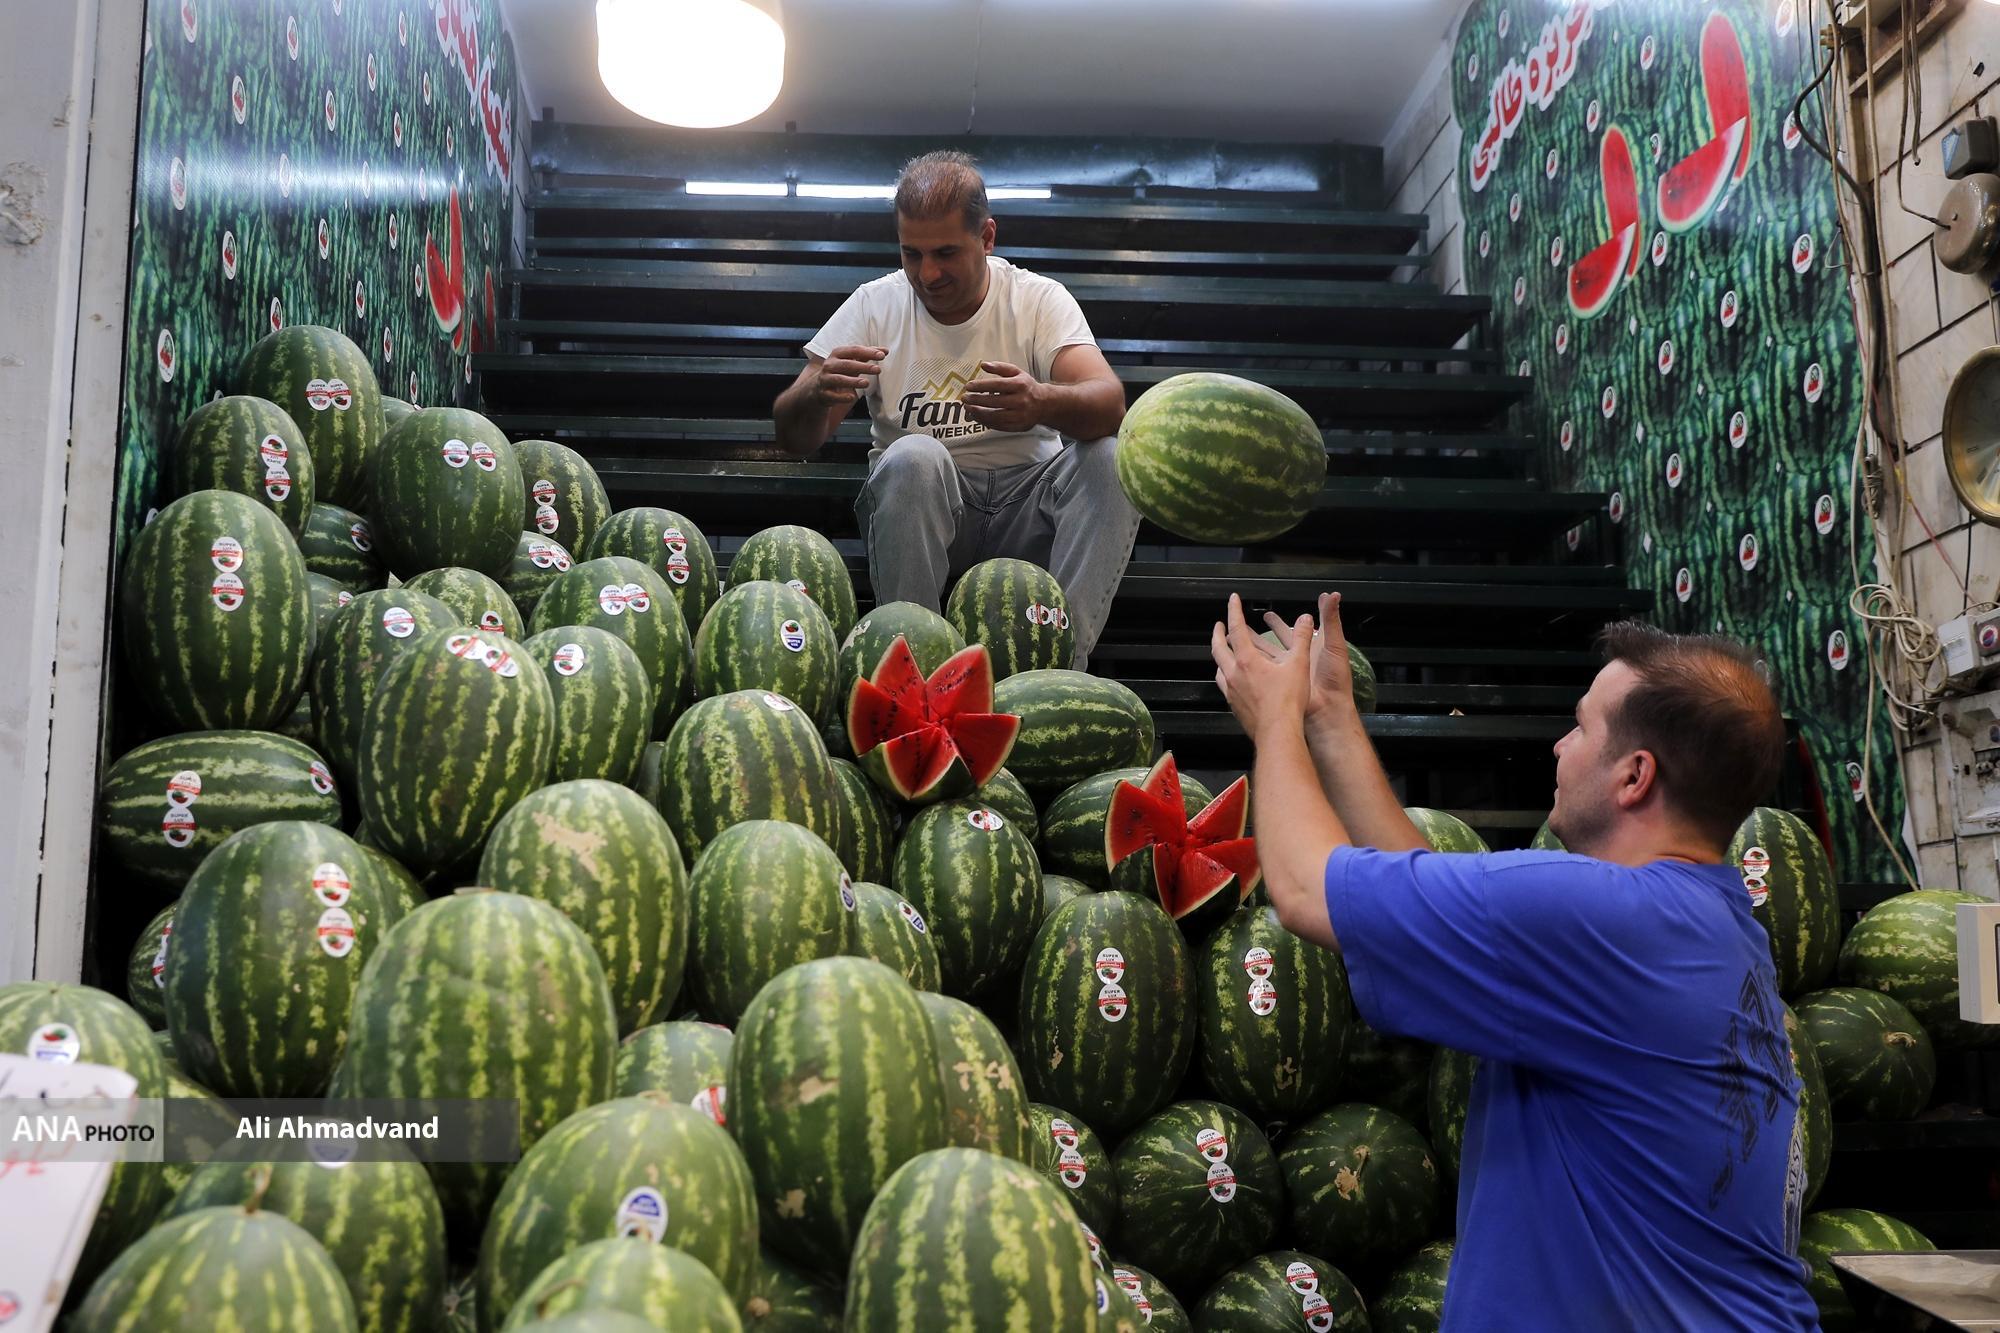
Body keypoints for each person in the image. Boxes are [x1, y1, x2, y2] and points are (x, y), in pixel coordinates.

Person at [1210, 593, 1819, 1332]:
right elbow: (1446, 926)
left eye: (1582, 726)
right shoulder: (1709, 925)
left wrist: (1272, 722)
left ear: (1634, 776)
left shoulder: (1609, 917)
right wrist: (1331, 722)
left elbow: (1306, 888)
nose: (1560, 746)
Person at [771, 150, 1140, 668]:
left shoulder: (1037, 299)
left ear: (987, 237)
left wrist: (1040, 401)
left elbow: (1110, 404)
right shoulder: (875, 305)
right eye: (911, 254)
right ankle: (913, 671)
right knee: (912, 456)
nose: (927, 273)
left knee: (1109, 459)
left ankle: (1061, 675)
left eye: (945, 252)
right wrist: (811, 395)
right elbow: (796, 438)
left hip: (1029, 511)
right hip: (926, 514)